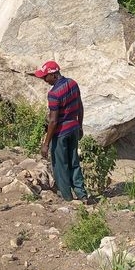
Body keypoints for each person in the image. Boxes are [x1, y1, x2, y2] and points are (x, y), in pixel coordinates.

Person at [34, 60, 88, 202]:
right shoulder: (73, 84)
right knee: (74, 161)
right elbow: (80, 106)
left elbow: (53, 121)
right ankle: (81, 194)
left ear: (54, 75)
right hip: (74, 128)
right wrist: (80, 126)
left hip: (61, 133)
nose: (44, 80)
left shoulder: (54, 94)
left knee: (60, 165)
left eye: (45, 77)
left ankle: (67, 197)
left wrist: (46, 143)